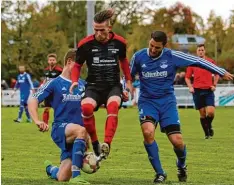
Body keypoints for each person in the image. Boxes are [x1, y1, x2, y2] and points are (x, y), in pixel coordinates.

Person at [130, 31, 233, 183]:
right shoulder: (138, 57)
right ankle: (160, 173)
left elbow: (198, 61)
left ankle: (182, 165)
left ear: (164, 47)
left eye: (157, 48)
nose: (152, 50)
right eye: (151, 45)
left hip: (167, 103)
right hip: (147, 102)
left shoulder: (172, 56)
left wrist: (220, 71)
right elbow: (129, 76)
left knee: (177, 141)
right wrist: (126, 89)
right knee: (148, 131)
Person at [69, 8, 133, 160]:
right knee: (85, 107)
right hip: (93, 86)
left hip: (113, 86)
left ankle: (107, 144)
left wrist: (129, 81)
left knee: (113, 106)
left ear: (109, 28)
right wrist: (74, 81)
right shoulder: (85, 44)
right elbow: (77, 65)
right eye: (95, 30)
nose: (98, 33)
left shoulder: (120, 42)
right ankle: (96, 142)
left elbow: (123, 61)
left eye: (102, 30)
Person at [28, 49, 90, 184]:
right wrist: (37, 120)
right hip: (60, 128)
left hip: (78, 134)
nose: (80, 69)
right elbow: (33, 99)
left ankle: (51, 169)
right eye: (79, 65)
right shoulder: (54, 83)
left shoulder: (82, 84)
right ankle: (77, 177)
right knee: (81, 131)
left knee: (62, 177)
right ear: (69, 62)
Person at [185, 44, 220, 139]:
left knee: (211, 112)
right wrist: (190, 87)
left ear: (205, 51)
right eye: (199, 50)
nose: (201, 51)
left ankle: (209, 126)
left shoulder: (210, 62)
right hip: (197, 91)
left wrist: (214, 85)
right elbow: (187, 78)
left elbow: (217, 74)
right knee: (203, 114)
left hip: (208, 90)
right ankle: (207, 134)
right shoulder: (192, 63)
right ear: (197, 52)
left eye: (202, 50)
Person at [42, 53, 63, 125]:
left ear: (56, 61)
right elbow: (45, 79)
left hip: (56, 92)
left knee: (57, 108)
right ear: (48, 61)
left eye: (53, 60)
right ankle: (45, 124)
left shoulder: (59, 70)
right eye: (50, 60)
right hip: (48, 92)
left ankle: (58, 122)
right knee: (46, 109)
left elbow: (63, 79)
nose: (52, 61)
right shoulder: (46, 70)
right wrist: (42, 86)